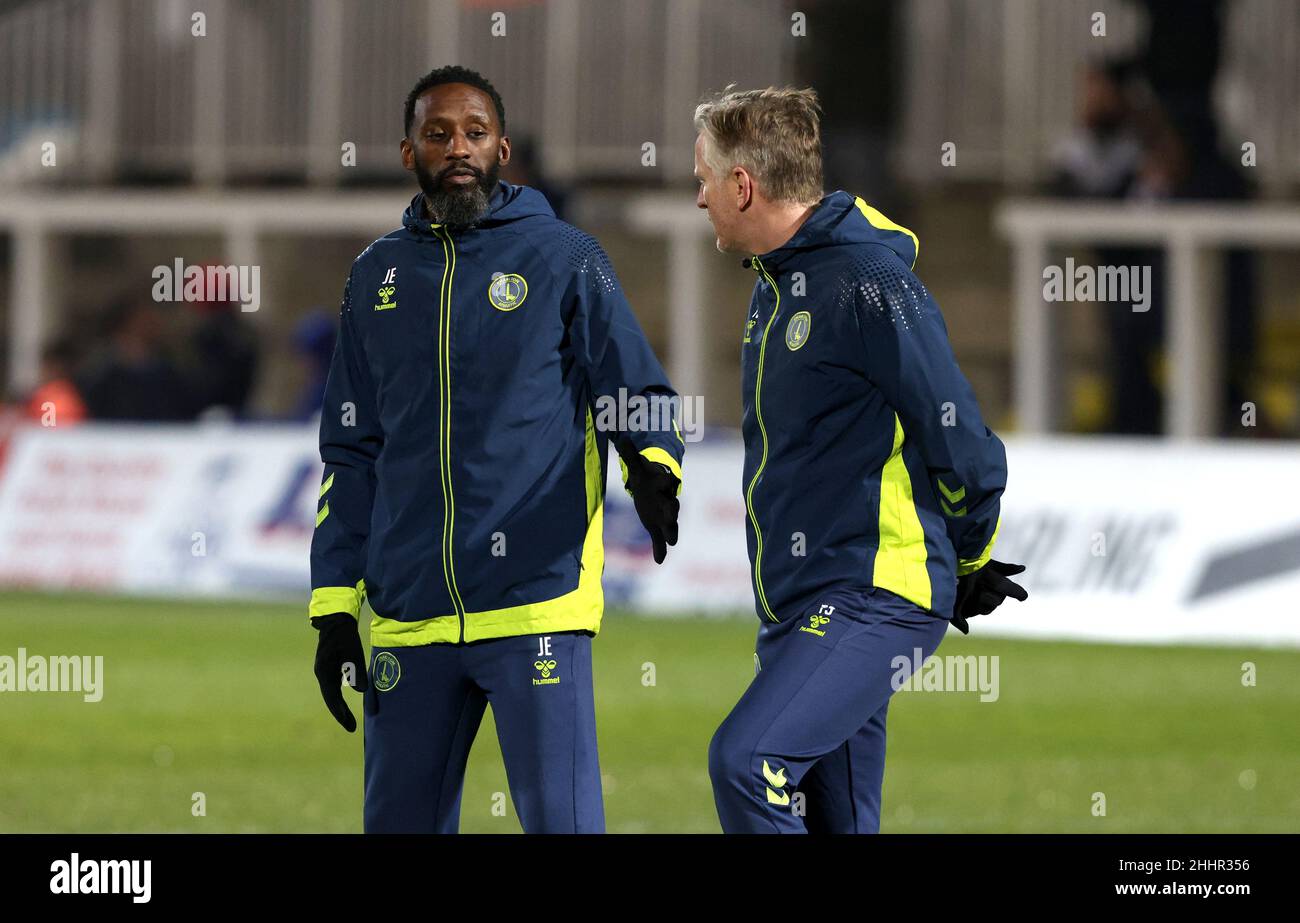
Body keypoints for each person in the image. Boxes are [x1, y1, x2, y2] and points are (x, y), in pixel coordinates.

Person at [308, 65, 683, 834]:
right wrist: (335, 610)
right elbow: (351, 449)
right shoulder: (373, 275)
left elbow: (633, 386)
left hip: (534, 601)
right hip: (410, 616)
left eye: (475, 133)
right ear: (406, 149)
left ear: (502, 148)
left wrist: (652, 462)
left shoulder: (565, 256)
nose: (458, 148)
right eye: (438, 133)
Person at [693, 86, 1026, 833]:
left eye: (704, 179)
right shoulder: (774, 289)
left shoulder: (869, 281)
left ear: (743, 185)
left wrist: (973, 549)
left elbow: (956, 426)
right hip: (803, 601)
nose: (699, 197)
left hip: (871, 591)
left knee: (746, 762)